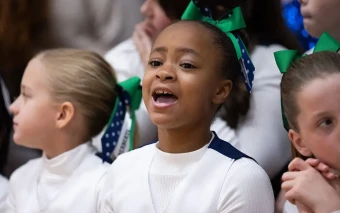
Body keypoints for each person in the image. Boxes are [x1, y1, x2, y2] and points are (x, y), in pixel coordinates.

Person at [101, 16, 274, 212]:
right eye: (156, 62)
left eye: (187, 65)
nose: (164, 73)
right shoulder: (122, 168)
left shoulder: (241, 177)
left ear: (220, 91)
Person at [5, 49, 141, 212]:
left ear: (63, 115)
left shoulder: (104, 186)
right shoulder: (21, 179)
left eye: (26, 95)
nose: (12, 107)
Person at [102, 0, 190, 148]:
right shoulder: (123, 59)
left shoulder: (216, 61)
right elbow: (122, 144)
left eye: (161, 4)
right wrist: (152, 66)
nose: (144, 9)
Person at [274, 33, 340, 213]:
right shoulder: (302, 196)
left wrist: (330, 207)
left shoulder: (322, 200)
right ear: (300, 142)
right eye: (326, 122)